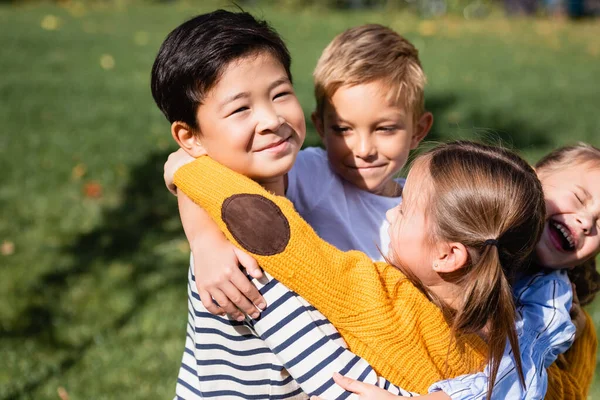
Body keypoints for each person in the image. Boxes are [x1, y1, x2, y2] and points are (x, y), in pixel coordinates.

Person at [172, 140, 578, 400]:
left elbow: (279, 237)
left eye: (403, 210)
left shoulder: (378, 296)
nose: (390, 214)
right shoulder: (515, 331)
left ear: (449, 255)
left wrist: (189, 169)